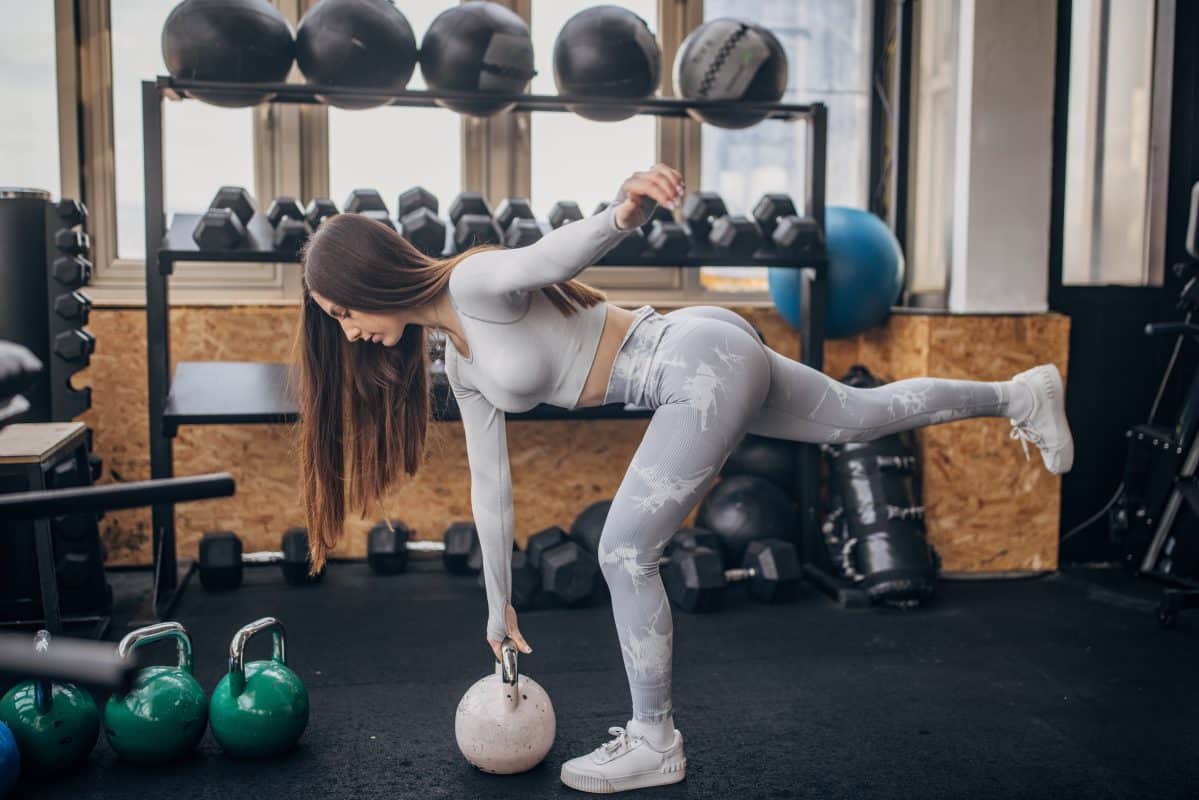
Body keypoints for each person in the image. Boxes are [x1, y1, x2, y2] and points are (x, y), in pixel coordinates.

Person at [295, 163, 1072, 794]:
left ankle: (653, 741)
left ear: (370, 280)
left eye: (339, 311)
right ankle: (1018, 393)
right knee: (859, 417)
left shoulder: (473, 280)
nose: (348, 330)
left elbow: (552, 257)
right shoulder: (459, 361)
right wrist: (497, 604)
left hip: (690, 362)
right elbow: (490, 487)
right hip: (700, 352)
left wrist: (624, 210)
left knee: (624, 552)